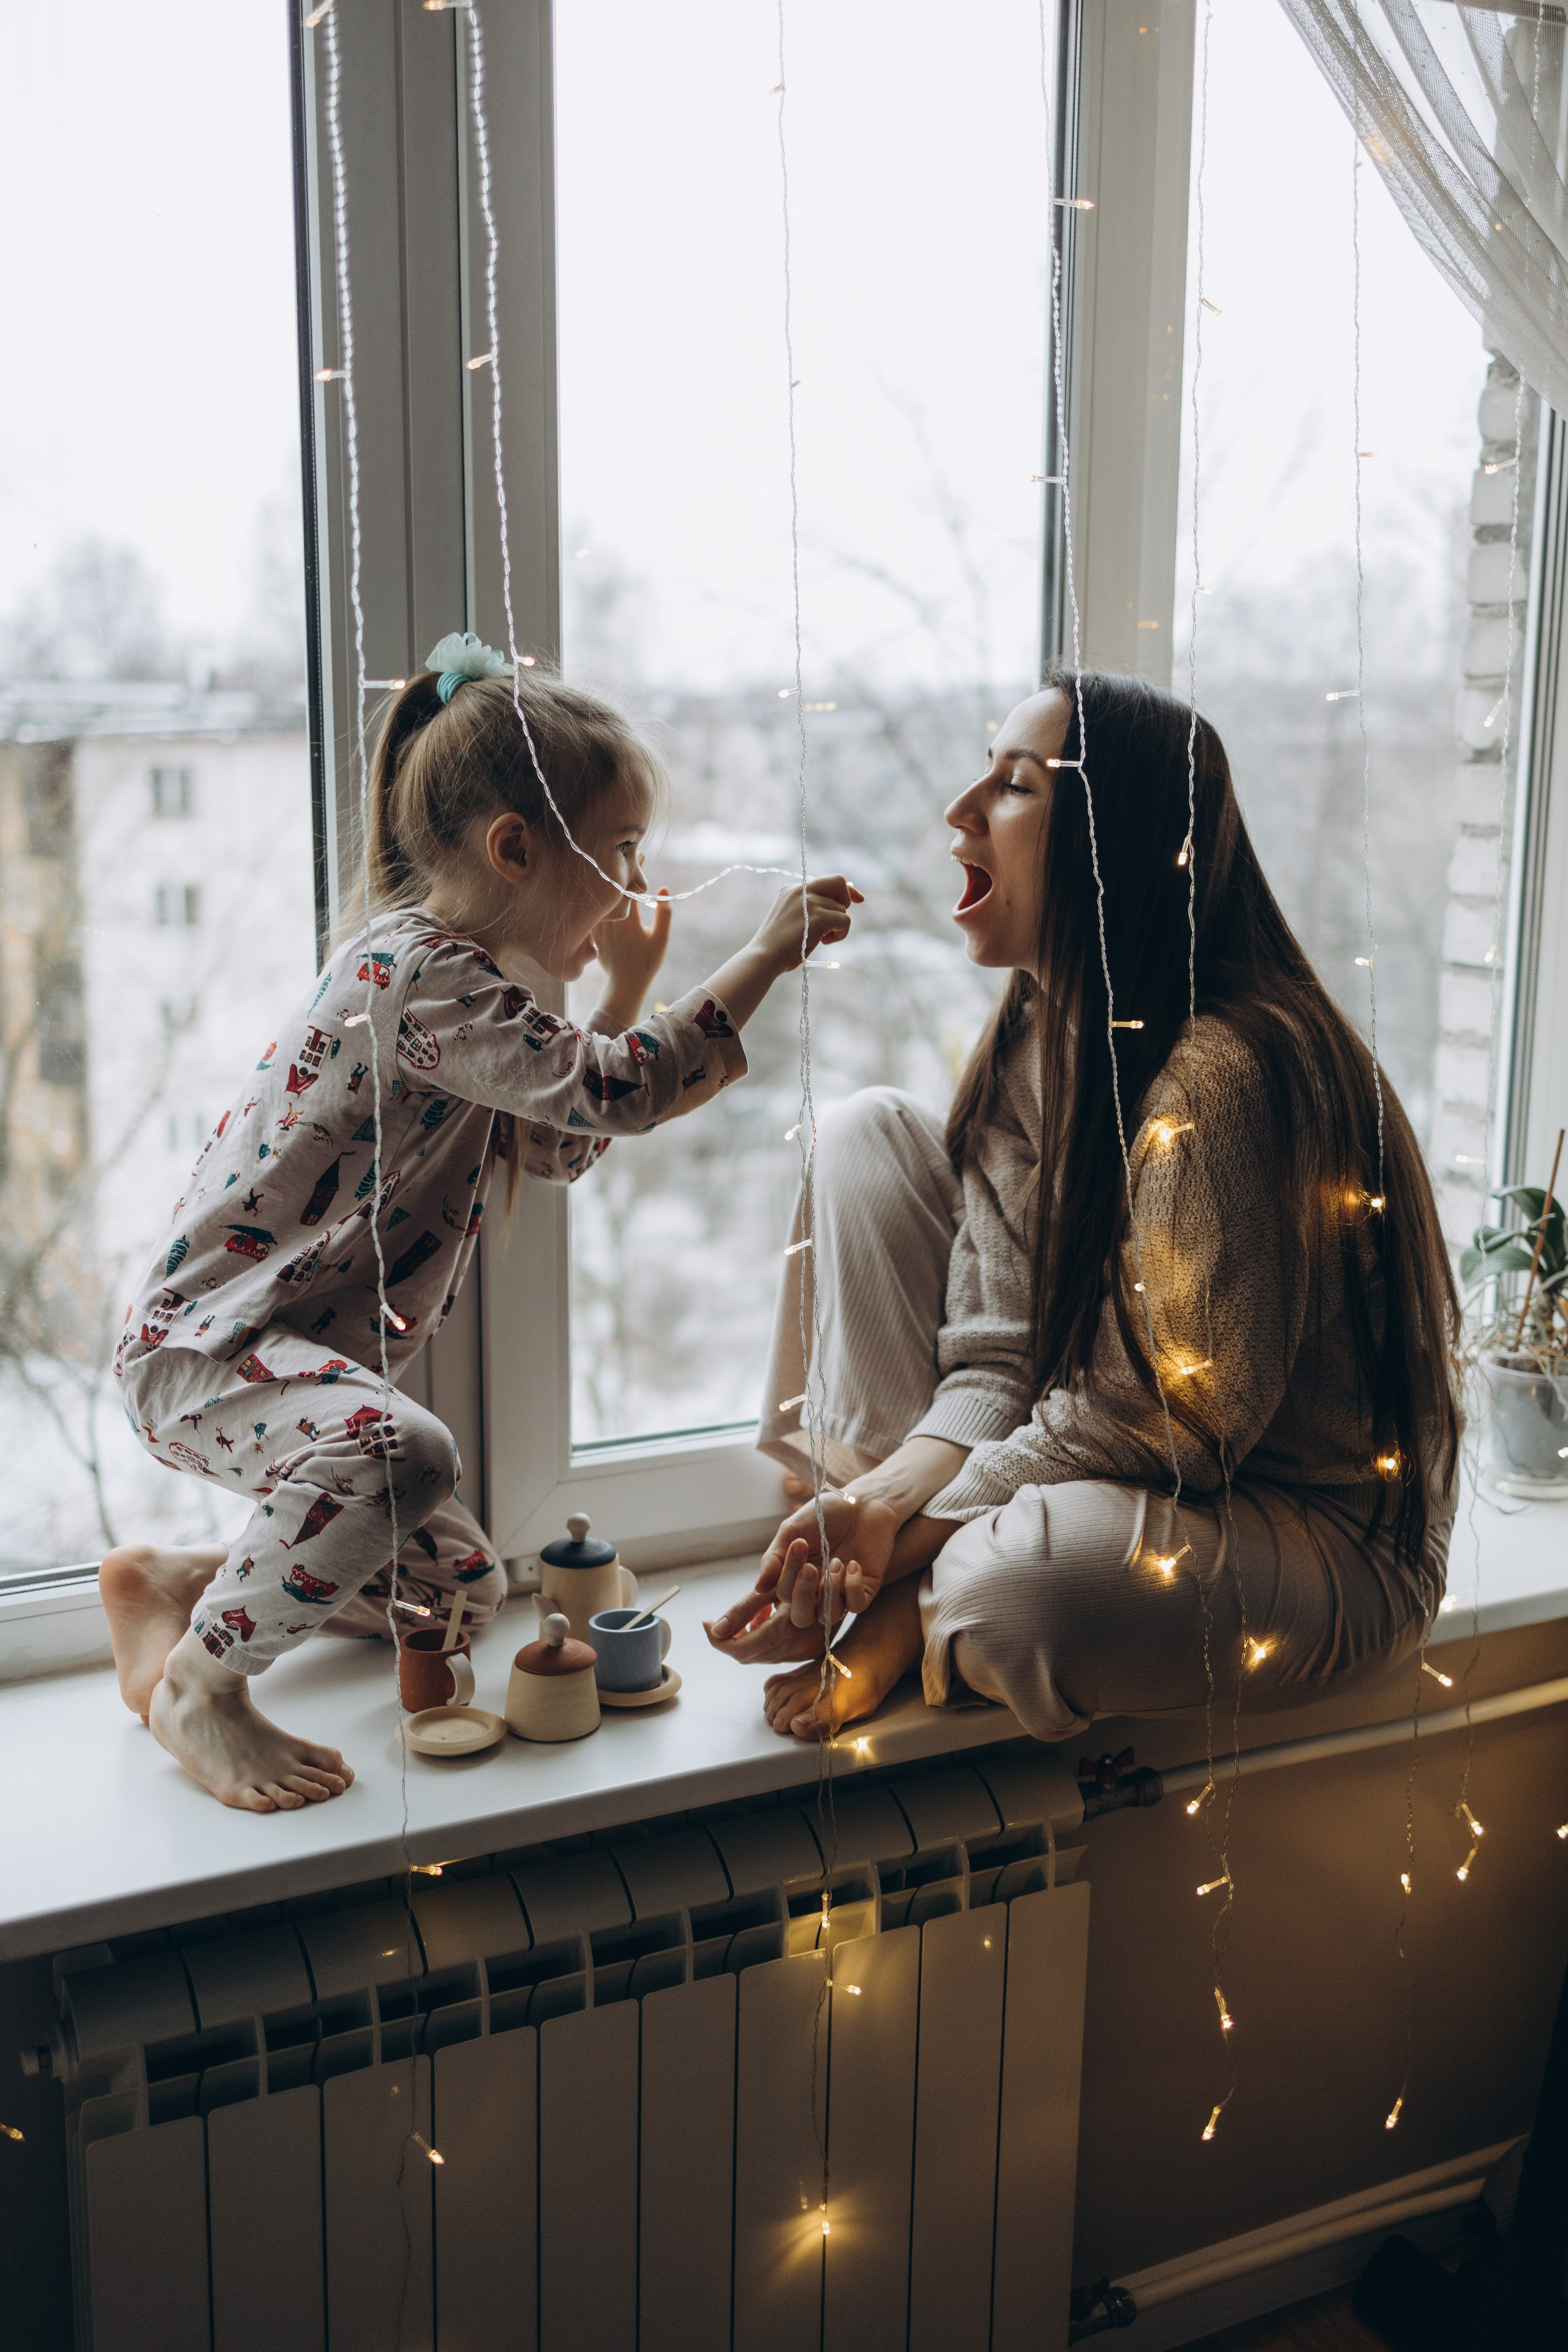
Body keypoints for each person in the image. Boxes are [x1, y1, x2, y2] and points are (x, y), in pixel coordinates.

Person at [104, 633, 858, 1810]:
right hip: (202, 1350)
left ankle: (181, 1588)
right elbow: (615, 1088)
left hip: (258, 1360)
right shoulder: (419, 972)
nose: (633, 880)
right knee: (404, 1452)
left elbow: (558, 1143)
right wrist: (763, 956)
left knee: (461, 1581)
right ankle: (202, 1684)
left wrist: (616, 991)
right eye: (618, 852)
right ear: (516, 848)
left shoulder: (457, 988)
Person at [706, 669, 1461, 1746]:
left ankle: (904, 1607)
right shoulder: (1037, 1035)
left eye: (1013, 788)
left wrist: (909, 1538)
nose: (960, 812)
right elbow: (1002, 1358)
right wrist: (882, 1508)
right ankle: (867, 1552)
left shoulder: (1225, 1075)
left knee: (1022, 1591)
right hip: (1126, 1452)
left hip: (1309, 1526)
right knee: (870, 1129)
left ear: (1112, 845)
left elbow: (1168, 1423)